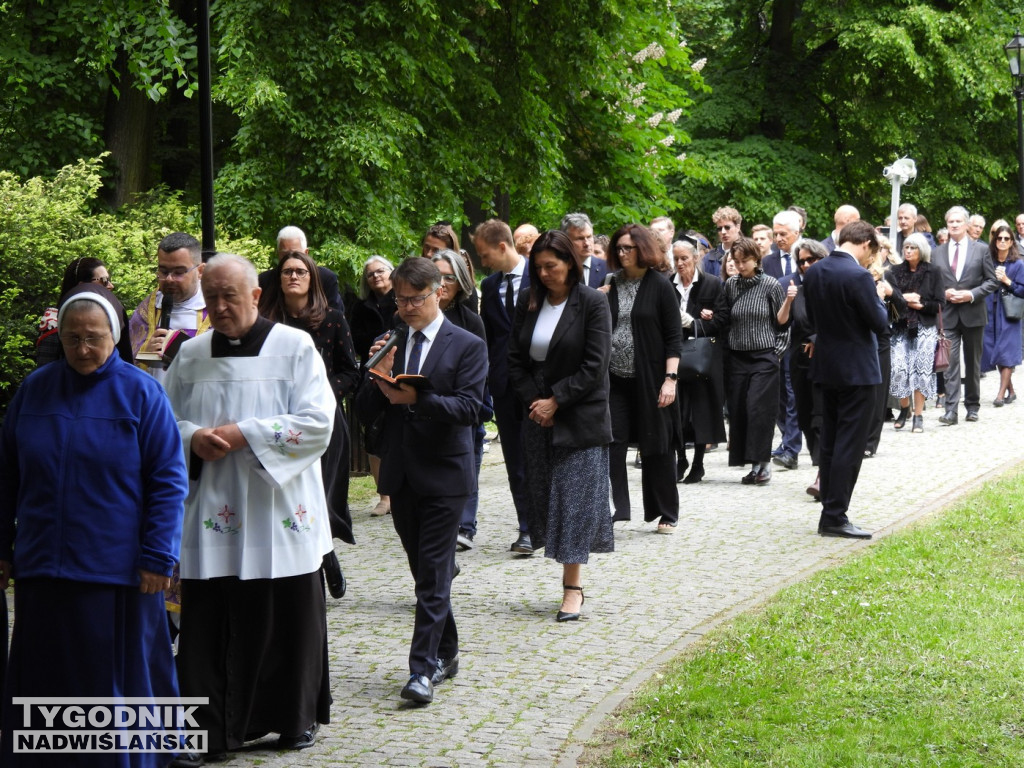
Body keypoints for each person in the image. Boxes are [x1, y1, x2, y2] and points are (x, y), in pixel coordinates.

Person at [0, 291, 188, 767]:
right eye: (72, 338)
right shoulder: (34, 391)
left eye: (94, 338)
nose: (83, 348)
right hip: (43, 568)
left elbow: (168, 482)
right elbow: (6, 477)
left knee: (113, 689)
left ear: (116, 336)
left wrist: (158, 556)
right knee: (46, 680)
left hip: (118, 572)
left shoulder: (143, 394)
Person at [164, 254, 335, 758]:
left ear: (256, 296)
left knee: (287, 619)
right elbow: (160, 424)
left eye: (229, 297)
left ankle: (293, 719)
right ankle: (205, 731)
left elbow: (320, 423)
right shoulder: (191, 355)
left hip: (276, 510)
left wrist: (248, 434)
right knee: (206, 625)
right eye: (210, 296)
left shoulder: (295, 347)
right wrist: (193, 438)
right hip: (213, 512)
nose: (218, 307)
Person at [354, 257, 487, 705]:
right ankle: (447, 651)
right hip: (401, 472)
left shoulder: (467, 344)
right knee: (423, 572)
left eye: (414, 299)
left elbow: (471, 410)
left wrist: (419, 399)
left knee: (432, 574)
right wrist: (376, 376)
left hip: (447, 473)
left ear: (438, 293)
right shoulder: (391, 338)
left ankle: (421, 670)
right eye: (399, 299)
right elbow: (365, 410)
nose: (405, 307)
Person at [507, 230, 613, 620]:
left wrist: (557, 400)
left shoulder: (591, 303)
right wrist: (534, 401)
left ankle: (573, 589)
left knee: (574, 501)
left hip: (580, 415)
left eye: (551, 265)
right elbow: (515, 358)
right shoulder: (529, 300)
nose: (545, 273)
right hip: (537, 413)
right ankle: (566, 576)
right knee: (545, 497)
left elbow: (595, 364)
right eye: (539, 267)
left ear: (571, 263)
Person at [259, 250, 361, 598]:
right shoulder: (266, 322)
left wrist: (317, 393)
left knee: (323, 493)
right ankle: (314, 560)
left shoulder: (331, 319)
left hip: (323, 419)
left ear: (311, 278)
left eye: (300, 271)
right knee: (289, 494)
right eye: (286, 271)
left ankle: (325, 554)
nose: (293, 277)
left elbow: (352, 371)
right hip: (278, 419)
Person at [803, 220, 889, 539]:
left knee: (830, 441)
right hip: (858, 371)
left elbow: (812, 317)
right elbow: (879, 323)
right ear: (865, 243)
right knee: (849, 446)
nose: (871, 259)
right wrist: (879, 296)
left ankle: (830, 510)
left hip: (827, 367)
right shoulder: (859, 276)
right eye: (872, 253)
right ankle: (835, 516)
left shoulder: (813, 272)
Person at [605, 224, 681, 531]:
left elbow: (674, 336)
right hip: (614, 379)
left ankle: (666, 511)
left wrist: (670, 378)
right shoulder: (610, 283)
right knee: (612, 441)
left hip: (650, 378)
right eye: (619, 249)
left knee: (656, 444)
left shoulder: (660, 286)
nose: (622, 254)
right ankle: (616, 508)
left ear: (643, 250)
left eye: (628, 248)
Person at [475, 218, 534, 554]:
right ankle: (526, 526)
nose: (483, 262)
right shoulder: (490, 285)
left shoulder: (539, 276)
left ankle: (546, 520)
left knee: (539, 455)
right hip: (504, 384)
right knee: (514, 457)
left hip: (538, 384)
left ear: (502, 246)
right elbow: (491, 336)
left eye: (485, 255)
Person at [431, 249, 489, 551]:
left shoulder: (470, 321)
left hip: (462, 406)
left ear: (461, 282)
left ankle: (465, 525)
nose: (442, 283)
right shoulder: (412, 319)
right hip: (426, 408)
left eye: (449, 278)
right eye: (437, 276)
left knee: (467, 464)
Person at [723, 236, 786, 485]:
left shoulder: (771, 285)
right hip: (738, 356)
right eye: (736, 261)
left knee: (758, 409)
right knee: (738, 410)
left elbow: (784, 322)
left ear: (756, 259)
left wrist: (777, 352)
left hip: (764, 356)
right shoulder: (730, 286)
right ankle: (752, 464)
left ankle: (764, 463)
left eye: (744, 261)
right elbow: (725, 318)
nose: (740, 266)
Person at [933, 206, 999, 425]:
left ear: (967, 224)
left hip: (973, 313)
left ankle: (972, 405)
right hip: (948, 315)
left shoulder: (980, 250)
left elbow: (992, 281)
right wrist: (943, 293)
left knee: (973, 363)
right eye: (950, 222)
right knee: (950, 364)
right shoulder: (937, 252)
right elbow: (931, 284)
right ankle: (951, 410)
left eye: (958, 222)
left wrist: (971, 294)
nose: (953, 225)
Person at [671, 238, 728, 484]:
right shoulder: (667, 285)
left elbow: (722, 320)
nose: (680, 263)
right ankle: (680, 457)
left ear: (696, 258)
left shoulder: (712, 284)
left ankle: (698, 464)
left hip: (701, 357)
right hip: (674, 354)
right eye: (676, 259)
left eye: (685, 258)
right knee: (676, 411)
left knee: (702, 411)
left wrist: (694, 322)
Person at [350, 255, 398, 517]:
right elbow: (356, 340)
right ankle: (384, 496)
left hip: (399, 368)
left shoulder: (403, 298)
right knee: (373, 432)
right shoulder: (361, 307)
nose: (376, 276)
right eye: (371, 274)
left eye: (381, 271)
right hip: (371, 369)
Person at [129, 232, 210, 381]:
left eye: (179, 272)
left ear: (200, 271)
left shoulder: (215, 309)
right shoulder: (148, 309)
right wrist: (144, 355)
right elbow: (126, 360)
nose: (169, 279)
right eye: (163, 271)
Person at [888, 233, 944, 433]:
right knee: (898, 369)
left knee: (921, 370)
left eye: (913, 248)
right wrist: (904, 298)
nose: (909, 251)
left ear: (922, 250)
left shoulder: (934, 271)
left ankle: (918, 415)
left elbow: (940, 304)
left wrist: (920, 305)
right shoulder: (894, 271)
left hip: (924, 326)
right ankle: (905, 408)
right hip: (900, 327)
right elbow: (889, 302)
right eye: (906, 247)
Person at [36, 257, 134, 366]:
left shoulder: (113, 319)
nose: (111, 286)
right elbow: (47, 375)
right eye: (104, 281)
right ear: (83, 286)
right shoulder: (53, 325)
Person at [982, 224, 1024, 404]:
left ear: (1011, 242)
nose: (1002, 241)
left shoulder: (1018, 264)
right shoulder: (988, 261)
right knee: (994, 349)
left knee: (1006, 351)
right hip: (989, 312)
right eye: (999, 238)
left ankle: (1000, 395)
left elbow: (1022, 290)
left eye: (1006, 239)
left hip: (1009, 313)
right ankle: (1011, 391)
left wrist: (1007, 280)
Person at [257, 225, 343, 310]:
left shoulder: (325, 278)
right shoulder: (265, 281)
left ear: (306, 253)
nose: (290, 258)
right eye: (285, 255)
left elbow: (336, 316)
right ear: (278, 254)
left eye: (296, 254)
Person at [420, 223, 479, 313]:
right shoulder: (412, 278)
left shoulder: (468, 294)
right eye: (427, 248)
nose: (428, 254)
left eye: (436, 251)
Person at [562, 212, 608, 288]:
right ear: (566, 240)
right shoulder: (558, 269)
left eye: (589, 237)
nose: (587, 243)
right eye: (580, 238)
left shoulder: (608, 269)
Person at [703, 206, 743, 277]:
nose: (723, 232)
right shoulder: (709, 258)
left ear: (737, 227)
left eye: (727, 227)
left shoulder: (749, 253)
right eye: (719, 228)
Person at [765, 209, 801, 278]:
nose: (778, 239)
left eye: (783, 234)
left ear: (796, 233)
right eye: (775, 234)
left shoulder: (808, 260)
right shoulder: (767, 262)